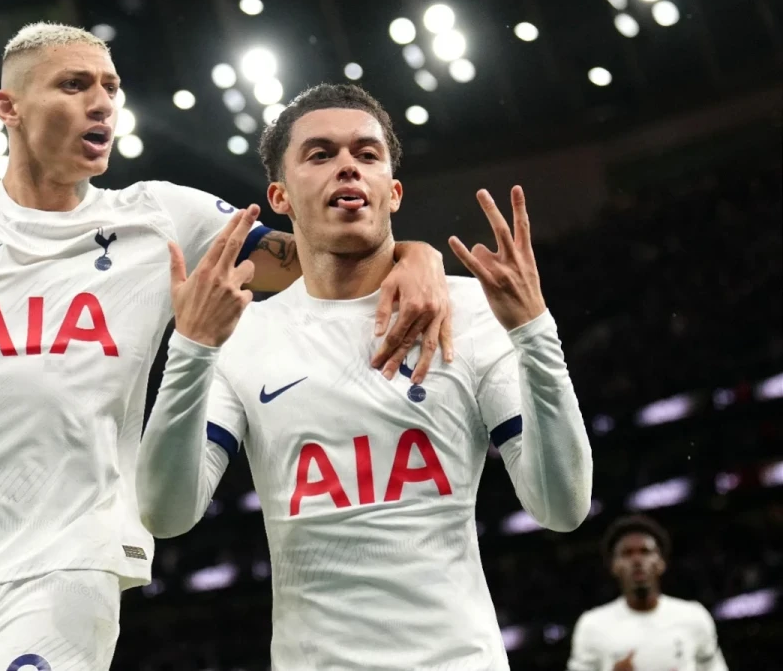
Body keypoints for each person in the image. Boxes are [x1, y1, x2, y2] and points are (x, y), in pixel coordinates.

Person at [0, 23, 453, 671]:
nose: (102, 103)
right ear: (10, 107)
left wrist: (414, 254)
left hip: (69, 562)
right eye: (74, 84)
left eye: (110, 88)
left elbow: (322, 255)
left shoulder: (160, 218)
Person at [136, 83, 594, 670]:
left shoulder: (473, 312)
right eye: (320, 154)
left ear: (393, 191)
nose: (348, 166)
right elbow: (165, 514)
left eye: (367, 154)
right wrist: (192, 349)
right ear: (280, 194)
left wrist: (535, 332)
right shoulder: (243, 337)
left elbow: (563, 507)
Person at [568, 515, 728, 671]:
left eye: (645, 551)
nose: (637, 561)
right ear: (614, 566)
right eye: (627, 553)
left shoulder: (694, 616)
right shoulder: (592, 626)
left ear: (660, 563)